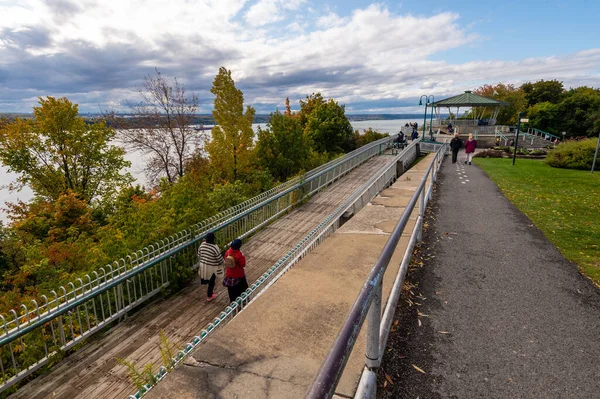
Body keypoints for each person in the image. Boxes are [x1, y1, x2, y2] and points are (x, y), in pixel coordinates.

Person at [197, 232, 224, 301]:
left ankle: (209, 292)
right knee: (211, 282)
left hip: (203, 266)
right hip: (211, 267)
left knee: (208, 279)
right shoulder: (215, 247)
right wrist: (222, 264)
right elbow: (219, 258)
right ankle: (209, 296)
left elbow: (199, 255)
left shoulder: (202, 245)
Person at [223, 238, 248, 303]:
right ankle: (244, 301)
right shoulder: (239, 255)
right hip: (238, 275)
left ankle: (233, 303)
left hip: (229, 274)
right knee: (243, 289)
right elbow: (243, 264)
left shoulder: (227, 252)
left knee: (231, 292)